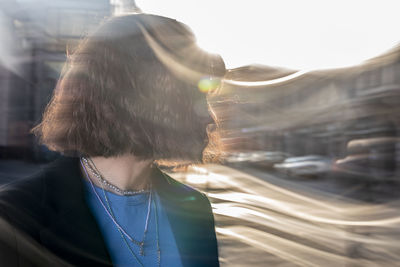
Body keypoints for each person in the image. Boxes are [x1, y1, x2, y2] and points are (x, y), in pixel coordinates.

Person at [0, 13, 225, 267]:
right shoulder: (16, 214)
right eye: (195, 95)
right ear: (140, 97)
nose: (209, 117)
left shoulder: (196, 209)